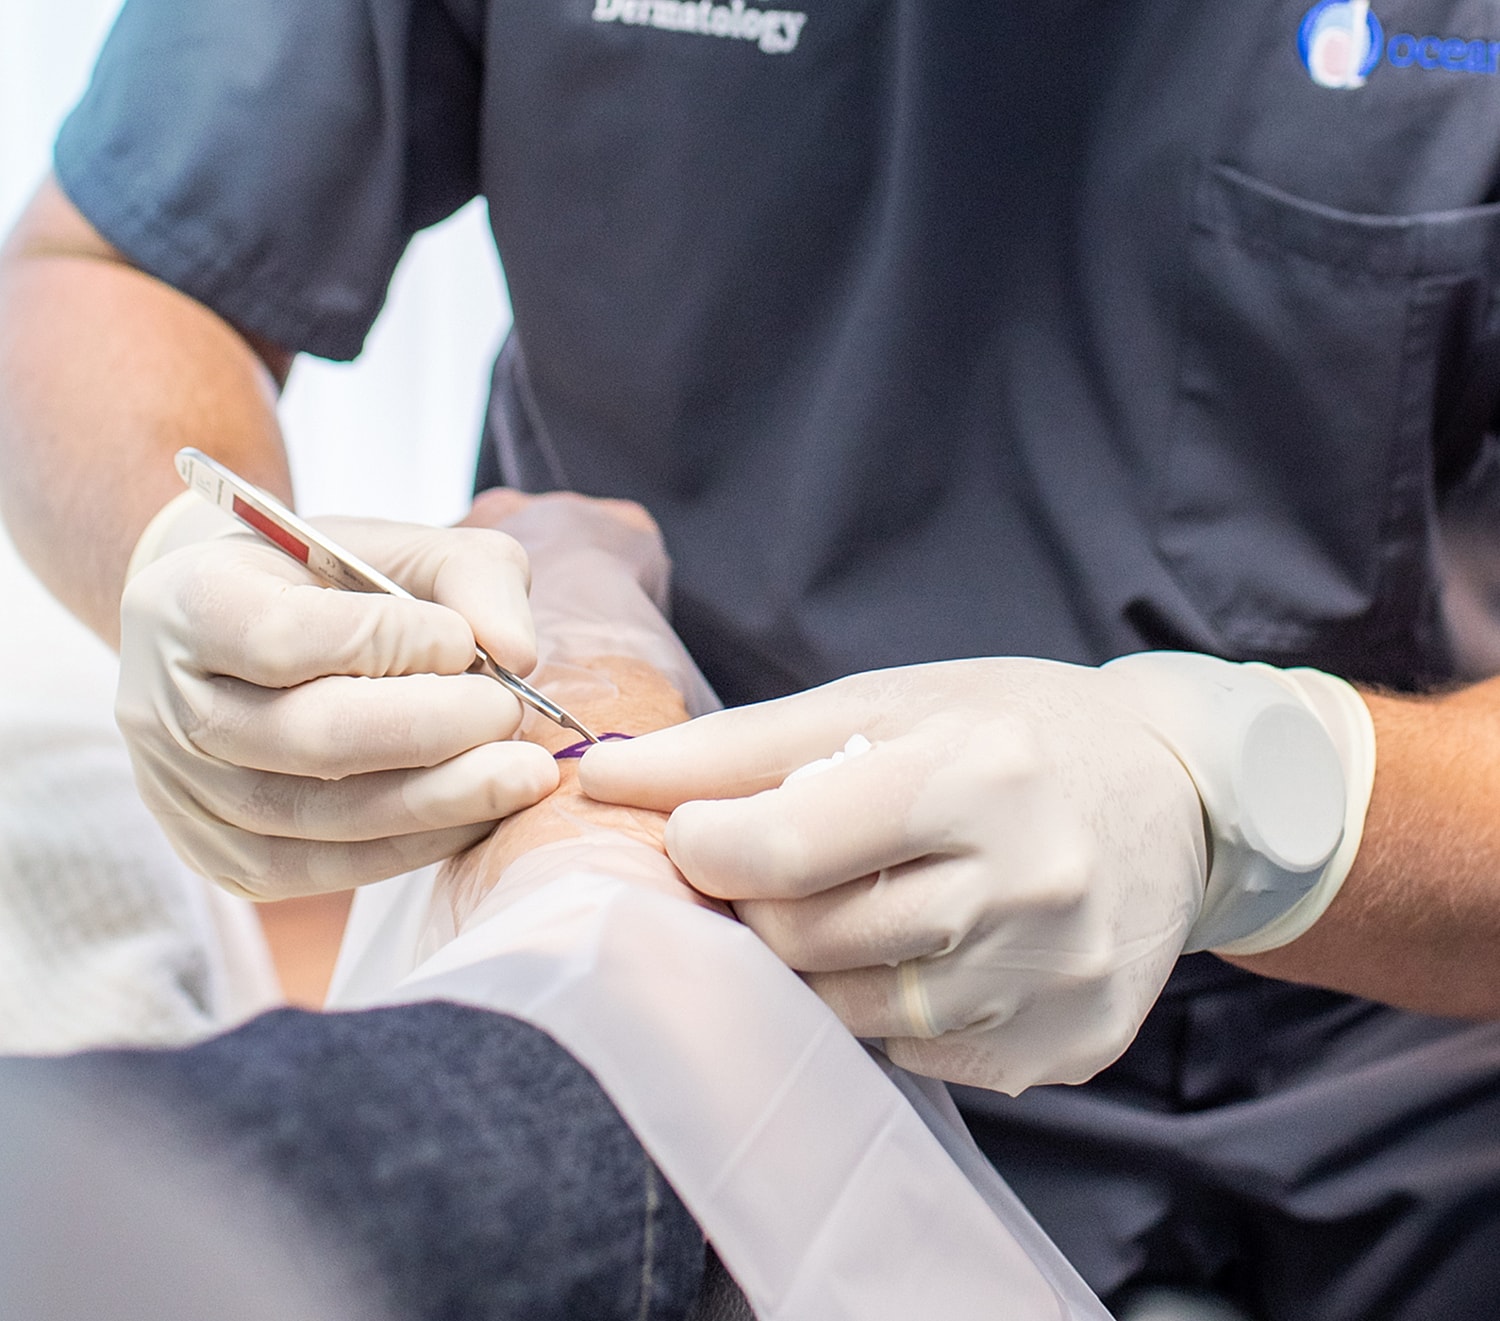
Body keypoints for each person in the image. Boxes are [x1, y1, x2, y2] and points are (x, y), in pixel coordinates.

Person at [0, 3, 1498, 1314]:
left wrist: (1255, 809)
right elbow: (103, 261)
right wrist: (178, 553)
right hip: (708, 963)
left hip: (1397, 1044)